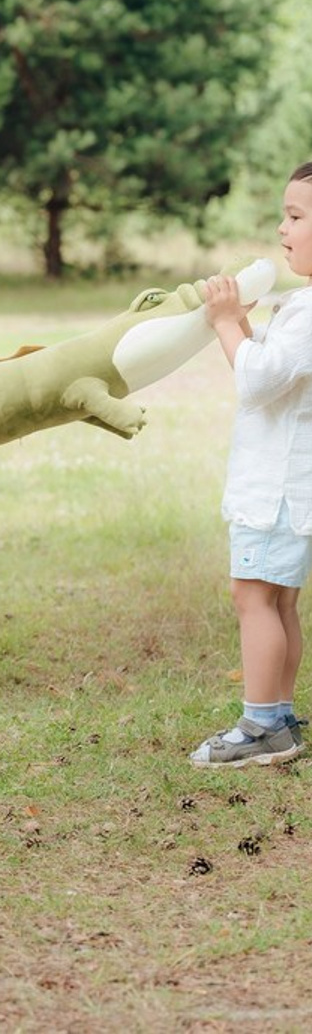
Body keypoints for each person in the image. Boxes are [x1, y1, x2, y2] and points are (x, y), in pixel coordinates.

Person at [190, 162, 312, 767]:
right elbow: (266, 367)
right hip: (289, 491)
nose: (282, 228)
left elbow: (257, 381)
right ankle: (282, 716)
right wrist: (238, 321)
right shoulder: (301, 307)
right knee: (279, 600)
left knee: (253, 598)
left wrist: (219, 324)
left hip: (276, 493)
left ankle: (262, 726)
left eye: (296, 216)